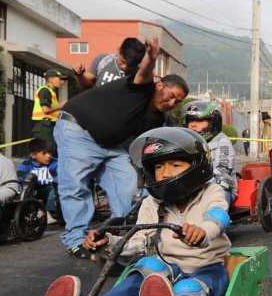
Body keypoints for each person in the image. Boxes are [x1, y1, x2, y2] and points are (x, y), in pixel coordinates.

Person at [43, 127, 231, 296]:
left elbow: (218, 216)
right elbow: (140, 241)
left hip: (206, 269)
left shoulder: (212, 191)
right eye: (158, 166)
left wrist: (202, 231)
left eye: (175, 165)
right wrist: (108, 242)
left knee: (187, 289)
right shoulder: (152, 203)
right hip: (167, 266)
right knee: (144, 269)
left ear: (197, 165)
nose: (164, 173)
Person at [54, 37, 189, 258]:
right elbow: (144, 72)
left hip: (111, 145)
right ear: (159, 85)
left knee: (128, 186)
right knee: (76, 186)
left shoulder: (158, 118)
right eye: (171, 95)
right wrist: (151, 57)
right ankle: (76, 240)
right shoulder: (141, 87)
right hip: (78, 130)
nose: (172, 103)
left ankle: (121, 236)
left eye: (178, 101)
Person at [184, 100, 237, 205]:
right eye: (190, 121)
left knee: (213, 200)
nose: (192, 125)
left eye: (199, 121)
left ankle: (213, 221)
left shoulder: (222, 142)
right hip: (191, 190)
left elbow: (222, 173)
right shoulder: (189, 143)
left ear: (213, 123)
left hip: (219, 188)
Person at [73, 37, 146, 89]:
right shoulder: (103, 60)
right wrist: (79, 75)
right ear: (118, 50)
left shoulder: (140, 74)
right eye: (123, 62)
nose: (125, 67)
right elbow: (87, 84)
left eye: (130, 65)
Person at [17, 138, 58, 216]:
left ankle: (51, 212)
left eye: (50, 153)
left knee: (52, 189)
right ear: (33, 155)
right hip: (32, 190)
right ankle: (26, 212)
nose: (49, 156)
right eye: (44, 153)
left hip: (48, 190)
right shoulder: (26, 164)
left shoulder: (55, 164)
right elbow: (19, 177)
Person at [32, 69, 67, 151]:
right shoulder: (45, 91)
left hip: (48, 125)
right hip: (44, 127)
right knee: (46, 151)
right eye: (59, 78)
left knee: (50, 151)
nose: (61, 81)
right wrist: (61, 105)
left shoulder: (51, 92)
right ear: (50, 79)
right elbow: (45, 109)